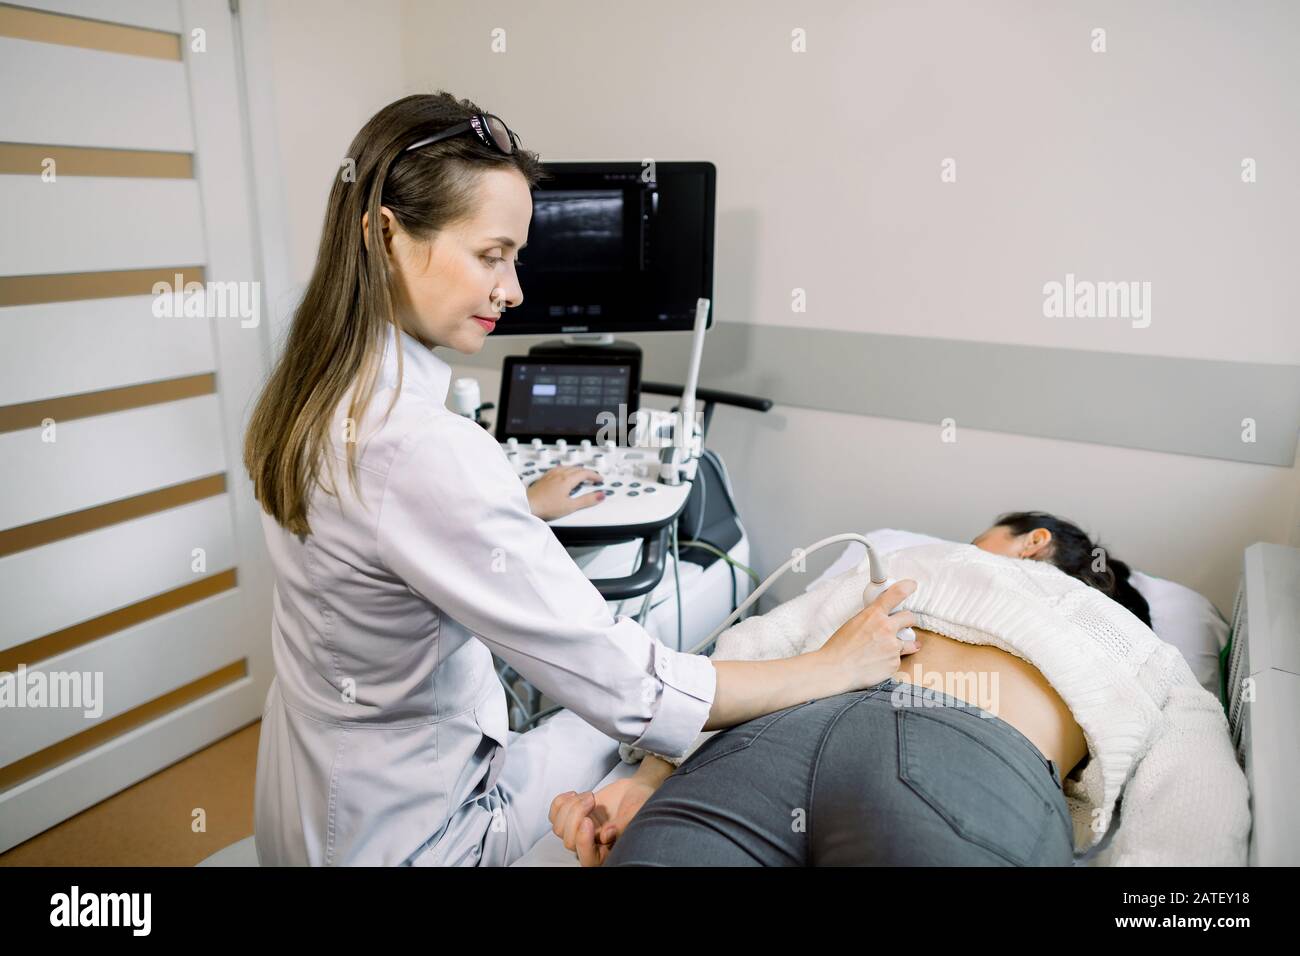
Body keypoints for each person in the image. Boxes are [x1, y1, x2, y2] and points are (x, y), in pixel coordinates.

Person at [242, 92, 923, 866]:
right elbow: (639, 695)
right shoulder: (424, 450)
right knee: (643, 715)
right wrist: (833, 666)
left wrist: (513, 505)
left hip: (310, 803)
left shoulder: (311, 390)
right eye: (492, 255)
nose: (514, 290)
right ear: (386, 236)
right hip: (416, 838)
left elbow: (377, 536)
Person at [548, 513, 1247, 866]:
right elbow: (1198, 808)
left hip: (763, 747)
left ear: (1033, 541)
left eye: (985, 531)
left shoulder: (920, 565)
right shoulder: (1153, 661)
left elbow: (757, 649)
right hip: (972, 768)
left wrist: (652, 776)